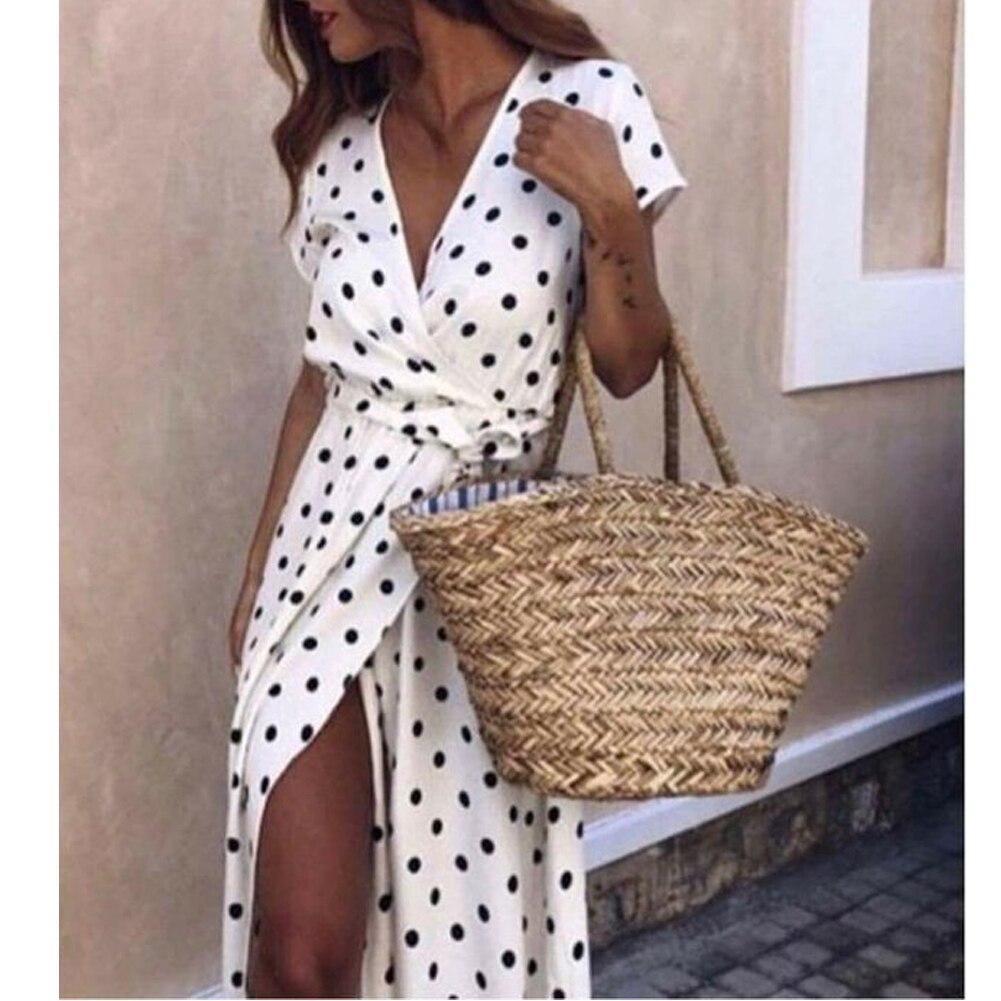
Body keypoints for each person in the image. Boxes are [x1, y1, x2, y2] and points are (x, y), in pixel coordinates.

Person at [221, 0, 688, 996]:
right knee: (298, 951)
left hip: (483, 589)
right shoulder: (343, 150)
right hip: (319, 562)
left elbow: (625, 366)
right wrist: (257, 573)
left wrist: (611, 210)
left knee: (458, 937)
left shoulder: (590, 104)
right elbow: (318, 381)